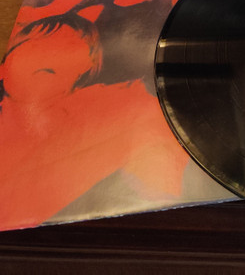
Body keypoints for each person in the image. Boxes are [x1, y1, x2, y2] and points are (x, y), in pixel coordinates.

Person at [0, 13, 189, 230]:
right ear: (5, 64)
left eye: (69, 57)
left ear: (76, 83)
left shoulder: (93, 131)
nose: (50, 59)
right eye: (38, 47)